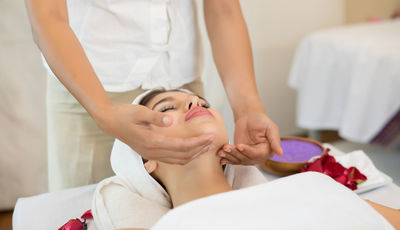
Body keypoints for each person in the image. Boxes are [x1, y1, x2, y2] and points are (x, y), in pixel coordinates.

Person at [89, 90, 400, 230]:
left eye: (202, 103)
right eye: (168, 108)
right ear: (147, 161)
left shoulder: (312, 186)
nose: (194, 104)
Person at [25, 0, 282, 191]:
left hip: (181, 76)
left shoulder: (190, 103)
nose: (197, 106)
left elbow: (223, 9)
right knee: (90, 220)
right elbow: (47, 15)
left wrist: (247, 110)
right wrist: (102, 112)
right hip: (91, 87)